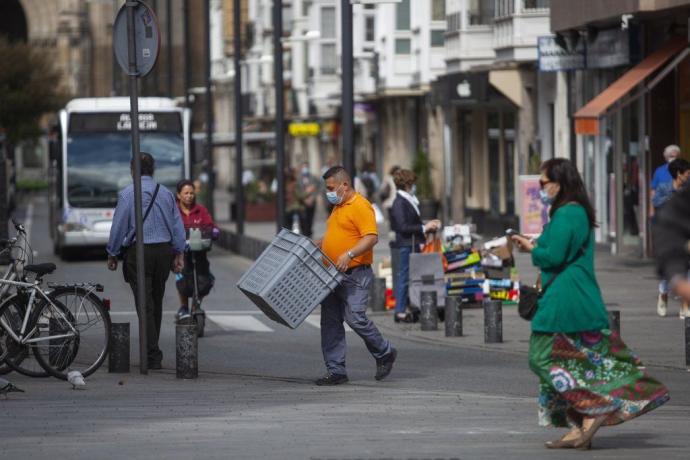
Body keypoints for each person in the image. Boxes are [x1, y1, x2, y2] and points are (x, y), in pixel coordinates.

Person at [511, 158, 669, 450]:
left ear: (559, 183)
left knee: (541, 357)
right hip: (575, 296)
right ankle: (579, 427)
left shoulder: (568, 214)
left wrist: (532, 249)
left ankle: (592, 407)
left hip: (565, 299)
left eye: (543, 183)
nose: (540, 188)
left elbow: (554, 256)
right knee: (573, 361)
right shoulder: (573, 212)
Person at [313, 165, 397, 385]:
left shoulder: (360, 205)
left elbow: (371, 237)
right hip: (331, 274)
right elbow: (340, 234)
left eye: (331, 187)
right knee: (330, 322)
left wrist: (348, 254)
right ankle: (336, 370)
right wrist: (320, 244)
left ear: (345, 185)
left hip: (355, 273)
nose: (328, 192)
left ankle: (384, 352)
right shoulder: (338, 206)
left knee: (355, 318)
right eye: (327, 188)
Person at [106, 153, 186, 370]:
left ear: (133, 170)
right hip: (163, 252)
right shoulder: (166, 194)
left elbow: (119, 226)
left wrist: (112, 253)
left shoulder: (127, 194)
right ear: (153, 170)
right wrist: (179, 253)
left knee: (144, 304)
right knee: (156, 302)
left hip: (138, 252)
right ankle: (152, 352)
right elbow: (177, 226)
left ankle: (152, 354)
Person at [388, 168, 440, 323]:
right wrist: (424, 227)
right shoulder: (399, 202)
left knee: (413, 277)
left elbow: (411, 223)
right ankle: (400, 311)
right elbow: (402, 227)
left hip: (412, 243)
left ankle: (410, 306)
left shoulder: (409, 200)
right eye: (413, 183)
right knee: (404, 277)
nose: (414, 186)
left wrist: (427, 225)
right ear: (407, 184)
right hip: (406, 245)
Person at [175, 179, 220, 319]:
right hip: (182, 254)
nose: (189, 196)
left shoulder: (201, 210)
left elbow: (210, 225)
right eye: (186, 193)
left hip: (199, 252)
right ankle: (183, 307)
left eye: (191, 193)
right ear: (179, 195)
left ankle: (196, 305)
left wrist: (214, 231)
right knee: (183, 281)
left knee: (204, 281)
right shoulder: (174, 211)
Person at [651, 158, 690, 317]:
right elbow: (658, 206)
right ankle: (663, 294)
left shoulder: (687, 190)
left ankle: (685, 306)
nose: (689, 176)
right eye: (687, 173)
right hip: (672, 236)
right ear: (679, 174)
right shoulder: (664, 189)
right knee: (670, 275)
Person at [649, 144, 680, 217]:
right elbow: (653, 191)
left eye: (676, 157)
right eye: (671, 156)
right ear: (666, 158)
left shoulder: (684, 171)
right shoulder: (659, 171)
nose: (674, 159)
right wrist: (651, 209)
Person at [299, 162, 319, 238]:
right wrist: (304, 199)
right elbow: (297, 189)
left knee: (310, 219)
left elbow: (317, 187)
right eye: (304, 167)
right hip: (302, 203)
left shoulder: (313, 177)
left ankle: (309, 234)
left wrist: (313, 197)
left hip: (312, 202)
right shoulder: (298, 178)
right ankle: (304, 234)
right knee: (303, 219)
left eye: (306, 167)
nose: (305, 169)